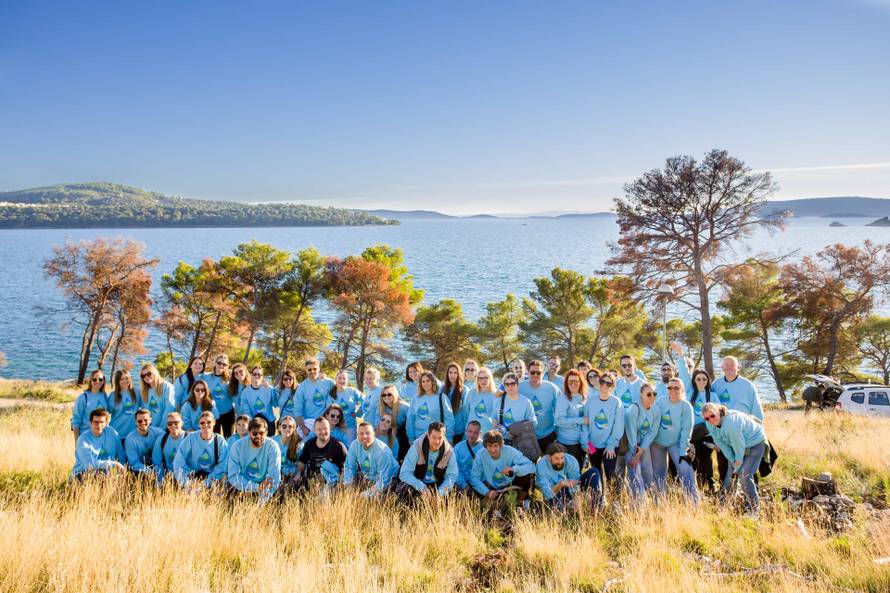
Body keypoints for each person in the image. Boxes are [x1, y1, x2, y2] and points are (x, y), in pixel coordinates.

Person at [702, 402, 768, 514]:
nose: (710, 419)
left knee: (744, 474)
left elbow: (739, 446)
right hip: (738, 444)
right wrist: (732, 460)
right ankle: (726, 502)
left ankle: (753, 508)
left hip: (755, 443)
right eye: (707, 418)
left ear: (718, 411)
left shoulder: (731, 424)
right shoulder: (710, 424)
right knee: (731, 472)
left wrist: (737, 461)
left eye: (712, 415)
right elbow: (720, 443)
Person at [711, 356, 764, 483]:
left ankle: (751, 490)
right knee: (724, 464)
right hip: (723, 432)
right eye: (726, 364)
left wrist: (759, 427)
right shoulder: (716, 385)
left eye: (732, 365)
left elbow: (757, 410)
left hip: (744, 431)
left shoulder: (748, 385)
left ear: (738, 367)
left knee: (746, 467)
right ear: (722, 367)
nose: (729, 367)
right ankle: (726, 491)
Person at [650, 378, 699, 504]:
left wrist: (683, 450)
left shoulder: (686, 406)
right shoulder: (660, 402)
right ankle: (660, 502)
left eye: (676, 388)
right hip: (657, 443)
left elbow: (686, 430)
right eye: (670, 387)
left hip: (676, 443)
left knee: (685, 468)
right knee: (659, 472)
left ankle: (693, 502)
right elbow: (652, 420)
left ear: (682, 389)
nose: (673, 390)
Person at [469, 430, 536, 505]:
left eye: (495, 445)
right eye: (489, 446)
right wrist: (487, 492)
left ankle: (523, 501)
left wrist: (514, 469)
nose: (493, 450)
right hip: (493, 487)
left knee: (526, 475)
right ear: (485, 445)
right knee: (490, 506)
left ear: (500, 445)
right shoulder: (480, 455)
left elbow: (531, 466)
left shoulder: (510, 451)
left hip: (512, 483)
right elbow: (474, 477)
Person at [226, 417, 281, 502]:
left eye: (261, 433)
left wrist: (265, 493)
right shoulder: (237, 446)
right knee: (229, 488)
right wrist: (255, 487)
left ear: (266, 432)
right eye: (255, 433)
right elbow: (233, 475)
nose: (258, 436)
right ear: (249, 433)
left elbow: (274, 475)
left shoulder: (273, 447)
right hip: (244, 484)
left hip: (264, 485)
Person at [398, 422, 459, 498]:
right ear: (428, 435)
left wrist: (440, 493)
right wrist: (422, 487)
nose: (437, 441)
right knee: (404, 487)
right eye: (434, 437)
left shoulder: (449, 452)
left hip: (438, 485)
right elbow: (404, 473)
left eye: (440, 438)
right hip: (418, 483)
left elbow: (452, 475)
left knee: (455, 490)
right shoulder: (416, 447)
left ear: (444, 437)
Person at [582, 372, 624, 482]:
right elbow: (585, 423)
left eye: (608, 383)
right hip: (592, 444)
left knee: (610, 473)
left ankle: (614, 494)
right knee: (596, 472)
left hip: (609, 445)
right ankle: (600, 493)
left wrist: (611, 444)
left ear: (613, 386)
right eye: (602, 382)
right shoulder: (590, 401)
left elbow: (618, 426)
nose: (604, 385)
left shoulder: (616, 402)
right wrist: (585, 441)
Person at [536, 442, 601, 510]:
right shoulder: (541, 466)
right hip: (556, 490)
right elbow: (547, 494)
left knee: (594, 471)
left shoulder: (571, 460)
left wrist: (576, 497)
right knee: (556, 505)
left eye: (562, 458)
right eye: (556, 458)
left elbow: (575, 481)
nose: (560, 461)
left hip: (572, 488)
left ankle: (597, 507)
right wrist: (561, 483)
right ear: (549, 457)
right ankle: (568, 506)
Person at [173, 411, 229, 487]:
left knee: (224, 477)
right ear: (199, 425)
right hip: (192, 476)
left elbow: (223, 465)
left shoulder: (220, 441)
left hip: (211, 476)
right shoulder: (191, 438)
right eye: (202, 423)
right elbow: (178, 460)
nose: (205, 425)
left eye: (209, 422)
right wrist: (186, 482)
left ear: (214, 422)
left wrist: (207, 483)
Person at [624, 383, 660, 499]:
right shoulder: (633, 409)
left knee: (648, 471)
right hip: (630, 444)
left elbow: (652, 432)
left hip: (644, 444)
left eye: (654, 394)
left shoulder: (656, 409)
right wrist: (635, 454)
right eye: (648, 394)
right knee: (635, 471)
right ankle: (636, 499)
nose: (652, 396)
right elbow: (631, 432)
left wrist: (643, 448)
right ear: (641, 395)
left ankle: (649, 496)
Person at [343, 422, 398, 497]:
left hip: (390, 479)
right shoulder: (354, 445)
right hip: (368, 476)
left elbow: (384, 480)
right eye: (361, 433)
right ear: (357, 435)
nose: (364, 436)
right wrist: (348, 486)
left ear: (374, 434)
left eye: (368, 433)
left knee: (369, 498)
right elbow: (349, 467)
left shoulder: (382, 452)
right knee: (344, 486)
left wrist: (365, 495)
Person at [295, 417, 348, 489]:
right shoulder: (309, 444)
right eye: (319, 429)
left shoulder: (339, 446)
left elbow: (345, 469)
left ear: (329, 429)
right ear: (314, 430)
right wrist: (298, 474)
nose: (323, 432)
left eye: (325, 428)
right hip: (312, 483)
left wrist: (339, 486)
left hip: (332, 485)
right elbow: (302, 461)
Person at [519, 360, 560, 452]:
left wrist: (558, 431)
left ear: (543, 373)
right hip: (527, 435)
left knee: (549, 460)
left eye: (538, 373)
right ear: (527, 372)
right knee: (529, 460)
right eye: (532, 372)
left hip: (548, 434)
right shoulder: (519, 387)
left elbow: (560, 409)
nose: (535, 375)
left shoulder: (552, 388)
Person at [71, 409, 125, 479]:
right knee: (100, 476)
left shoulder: (112, 433)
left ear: (106, 423)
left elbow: (121, 456)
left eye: (102, 422)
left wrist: (121, 473)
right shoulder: (83, 439)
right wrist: (114, 464)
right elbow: (89, 465)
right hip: (82, 473)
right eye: (96, 422)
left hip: (107, 473)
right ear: (90, 423)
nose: (99, 425)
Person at [687, 368, 717, 492]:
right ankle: (695, 486)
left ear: (708, 381)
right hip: (693, 433)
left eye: (704, 379)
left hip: (708, 433)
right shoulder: (690, 394)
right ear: (694, 380)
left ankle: (710, 483)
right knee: (695, 458)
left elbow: (718, 412)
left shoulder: (712, 395)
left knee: (706, 458)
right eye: (698, 379)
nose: (701, 381)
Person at [554, 369, 588, 468]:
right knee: (569, 470)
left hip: (583, 442)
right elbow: (559, 421)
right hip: (567, 443)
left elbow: (587, 422)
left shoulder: (585, 398)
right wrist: (580, 420)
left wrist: (586, 442)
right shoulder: (563, 398)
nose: (573, 384)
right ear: (566, 383)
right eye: (570, 381)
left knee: (581, 468)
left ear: (581, 382)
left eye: (576, 381)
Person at [407, 371, 454, 441]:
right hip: (419, 438)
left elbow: (449, 419)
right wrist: (411, 437)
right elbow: (410, 419)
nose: (425, 383)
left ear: (433, 381)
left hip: (437, 438)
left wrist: (448, 437)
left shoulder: (442, 397)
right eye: (423, 381)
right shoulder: (416, 399)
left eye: (428, 381)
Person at [295, 357, 335, 437]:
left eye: (315, 369)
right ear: (306, 370)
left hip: (325, 422)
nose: (312, 371)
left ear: (319, 369)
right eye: (309, 370)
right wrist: (303, 428)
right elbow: (297, 410)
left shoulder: (328, 382)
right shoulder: (302, 387)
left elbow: (340, 388)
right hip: (308, 424)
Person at [492, 372, 536, 437]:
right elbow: (494, 417)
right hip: (502, 440)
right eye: (507, 384)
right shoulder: (498, 401)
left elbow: (533, 423)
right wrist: (495, 423)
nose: (510, 386)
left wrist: (515, 430)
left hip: (520, 439)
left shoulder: (526, 402)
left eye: (512, 383)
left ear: (517, 385)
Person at [71, 369, 109, 441]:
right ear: (90, 381)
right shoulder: (83, 397)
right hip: (86, 437)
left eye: (100, 379)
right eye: (94, 379)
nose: (97, 381)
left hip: (101, 437)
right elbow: (76, 421)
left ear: (103, 381)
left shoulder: (104, 395)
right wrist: (77, 442)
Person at [124, 409, 165, 476]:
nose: (143, 423)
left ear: (150, 420)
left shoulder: (157, 432)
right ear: (135, 422)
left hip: (155, 466)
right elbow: (134, 463)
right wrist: (149, 471)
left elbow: (168, 437)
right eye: (139, 421)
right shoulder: (130, 439)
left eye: (146, 420)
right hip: (138, 470)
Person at [241, 365, 277, 436]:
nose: (257, 376)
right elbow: (246, 410)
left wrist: (272, 390)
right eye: (254, 374)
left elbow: (275, 403)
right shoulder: (245, 392)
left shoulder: (269, 389)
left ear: (262, 377)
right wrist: (253, 423)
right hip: (254, 423)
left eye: (259, 374)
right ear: (251, 375)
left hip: (269, 422)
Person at [107, 370, 142, 442]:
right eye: (122, 379)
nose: (125, 381)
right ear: (117, 381)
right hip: (116, 433)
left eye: (127, 378)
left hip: (133, 434)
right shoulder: (113, 395)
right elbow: (106, 413)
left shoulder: (137, 392)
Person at [152, 412, 187, 483]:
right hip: (168, 478)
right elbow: (157, 463)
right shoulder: (161, 439)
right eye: (170, 423)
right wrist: (160, 482)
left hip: (187, 477)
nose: (173, 425)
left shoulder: (190, 438)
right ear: (167, 425)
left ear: (182, 423)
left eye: (176, 423)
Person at [205, 355, 235, 437]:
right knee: (215, 438)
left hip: (228, 412)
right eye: (219, 363)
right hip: (213, 412)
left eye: (224, 364)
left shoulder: (230, 378)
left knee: (229, 438)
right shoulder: (206, 377)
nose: (221, 365)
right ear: (215, 363)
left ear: (227, 366)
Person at [328, 370, 363, 441]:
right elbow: (328, 411)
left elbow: (365, 401)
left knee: (349, 447)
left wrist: (358, 412)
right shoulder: (331, 394)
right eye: (339, 378)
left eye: (344, 378)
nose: (342, 380)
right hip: (336, 428)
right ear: (336, 379)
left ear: (347, 380)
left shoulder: (352, 391)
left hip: (350, 427)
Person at [139, 364, 175, 430]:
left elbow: (170, 408)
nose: (146, 377)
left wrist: (161, 428)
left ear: (154, 372)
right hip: (149, 430)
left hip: (164, 429)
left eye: (149, 374)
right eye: (143, 376)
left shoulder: (167, 387)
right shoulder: (144, 391)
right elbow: (144, 412)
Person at [464, 367, 497, 434]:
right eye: (480, 378)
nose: (483, 380)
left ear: (490, 379)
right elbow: (465, 412)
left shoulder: (495, 395)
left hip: (487, 433)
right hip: (471, 432)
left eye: (485, 378)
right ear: (477, 380)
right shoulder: (471, 393)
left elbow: (498, 414)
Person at [441, 363, 468, 443]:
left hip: (459, 430)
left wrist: (466, 432)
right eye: (450, 372)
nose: (452, 375)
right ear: (447, 374)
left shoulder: (464, 390)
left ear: (459, 374)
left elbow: (466, 413)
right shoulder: (442, 389)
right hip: (444, 430)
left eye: (455, 373)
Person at [453, 420, 483, 491]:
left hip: (482, 484)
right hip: (464, 484)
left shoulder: (485, 447)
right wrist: (464, 485)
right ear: (466, 431)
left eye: (475, 432)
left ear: (480, 433)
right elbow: (455, 469)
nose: (472, 435)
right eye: (470, 431)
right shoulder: (458, 448)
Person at [272, 415, 303, 482]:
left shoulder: (299, 444)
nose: (287, 429)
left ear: (294, 429)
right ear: (279, 428)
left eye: (290, 427)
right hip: (276, 474)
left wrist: (298, 474)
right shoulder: (272, 441)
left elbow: (301, 463)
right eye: (284, 426)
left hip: (293, 475)